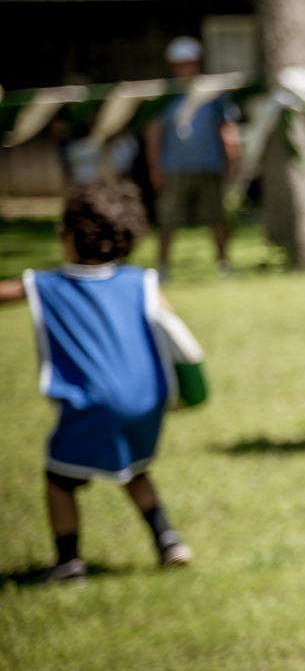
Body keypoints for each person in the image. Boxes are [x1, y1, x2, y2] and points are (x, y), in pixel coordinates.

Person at [0, 181, 194, 583]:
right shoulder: (142, 282)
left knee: (59, 480)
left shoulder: (51, 285)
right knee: (134, 469)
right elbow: (174, 328)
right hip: (146, 400)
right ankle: (169, 541)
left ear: (70, 236)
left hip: (94, 403)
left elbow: (7, 292)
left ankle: (69, 563)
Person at [145, 36, 239, 278]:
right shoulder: (164, 95)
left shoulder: (214, 94)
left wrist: (232, 159)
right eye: (180, 63)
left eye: (190, 62)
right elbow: (153, 133)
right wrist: (155, 167)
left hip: (210, 165)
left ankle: (224, 264)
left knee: (217, 217)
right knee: (168, 220)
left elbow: (226, 128)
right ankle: (163, 268)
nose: (186, 67)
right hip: (173, 167)